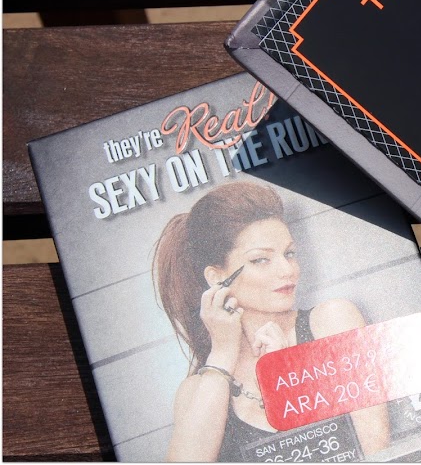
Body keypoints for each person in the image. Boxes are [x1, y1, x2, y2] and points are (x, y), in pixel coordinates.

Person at [153, 181, 390, 461]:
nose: (287, 270)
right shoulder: (197, 391)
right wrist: (223, 352)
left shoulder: (333, 321)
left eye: (289, 254)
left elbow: (378, 450)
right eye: (261, 260)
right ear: (217, 278)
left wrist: (289, 377)